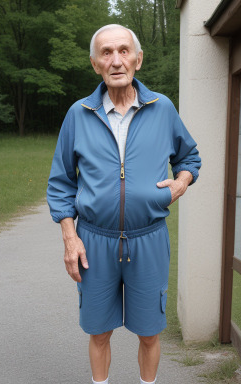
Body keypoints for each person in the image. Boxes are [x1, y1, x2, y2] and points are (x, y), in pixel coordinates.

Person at [47, 24, 201, 384]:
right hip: (94, 241)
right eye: (106, 53)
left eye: (123, 51)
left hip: (148, 239)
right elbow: (61, 183)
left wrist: (180, 183)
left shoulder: (162, 108)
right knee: (98, 331)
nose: (116, 60)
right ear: (95, 64)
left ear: (138, 59)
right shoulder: (78, 114)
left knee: (149, 332)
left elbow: (189, 158)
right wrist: (71, 239)